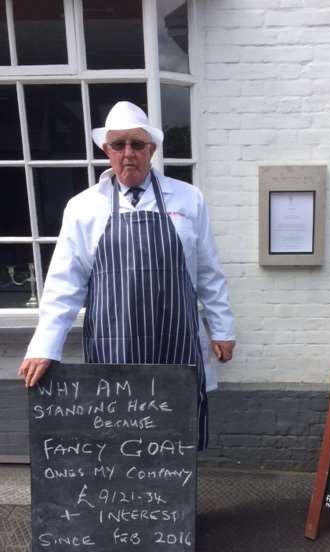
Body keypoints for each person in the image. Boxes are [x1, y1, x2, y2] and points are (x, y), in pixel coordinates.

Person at [19, 101, 235, 449]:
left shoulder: (188, 198)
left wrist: (222, 328)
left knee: (175, 431)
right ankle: (123, 504)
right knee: (119, 435)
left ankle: (176, 504)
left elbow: (208, 271)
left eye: (137, 144)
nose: (128, 153)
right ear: (107, 150)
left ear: (152, 149)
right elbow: (64, 284)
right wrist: (45, 346)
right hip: (112, 344)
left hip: (175, 342)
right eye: (119, 145)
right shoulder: (83, 207)